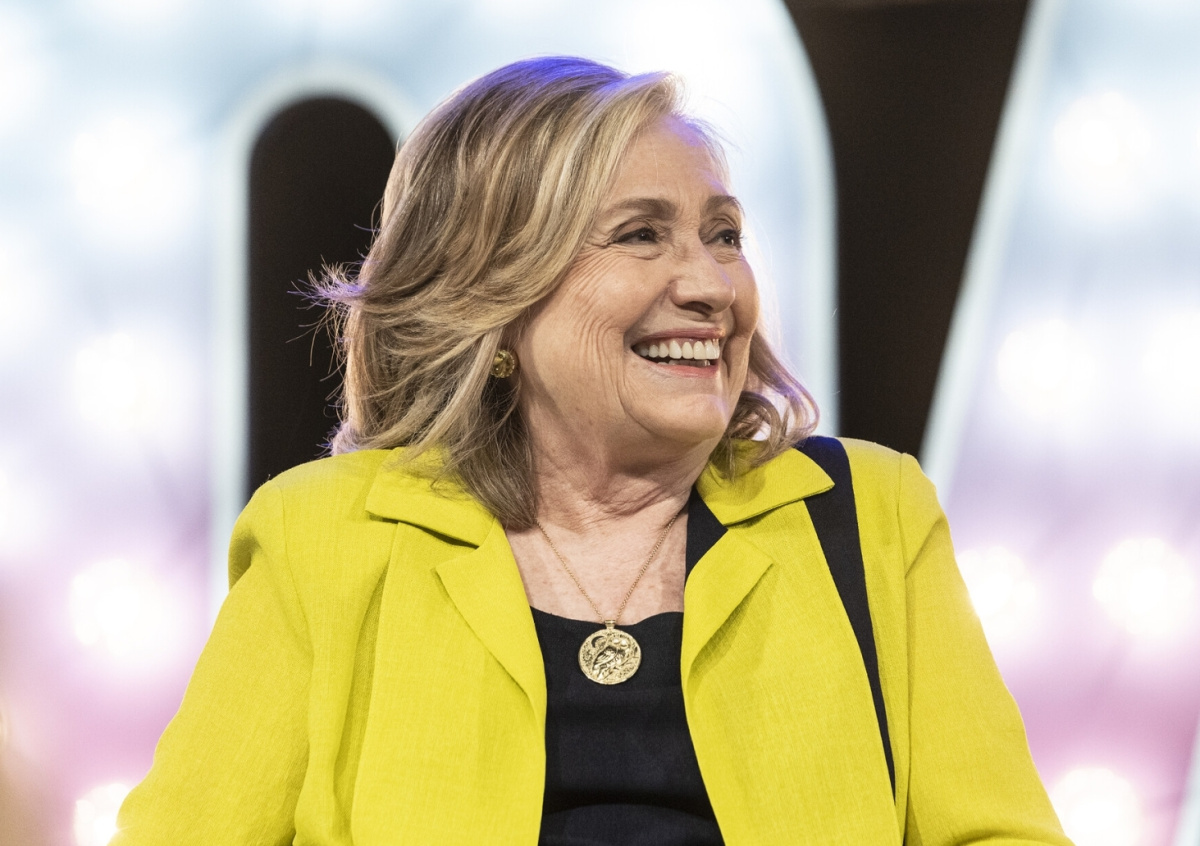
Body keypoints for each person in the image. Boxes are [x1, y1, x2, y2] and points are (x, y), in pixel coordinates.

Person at [113, 56, 1073, 845]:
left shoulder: (868, 514)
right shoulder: (326, 537)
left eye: (723, 235)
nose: (711, 285)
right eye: (641, 235)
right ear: (494, 292)